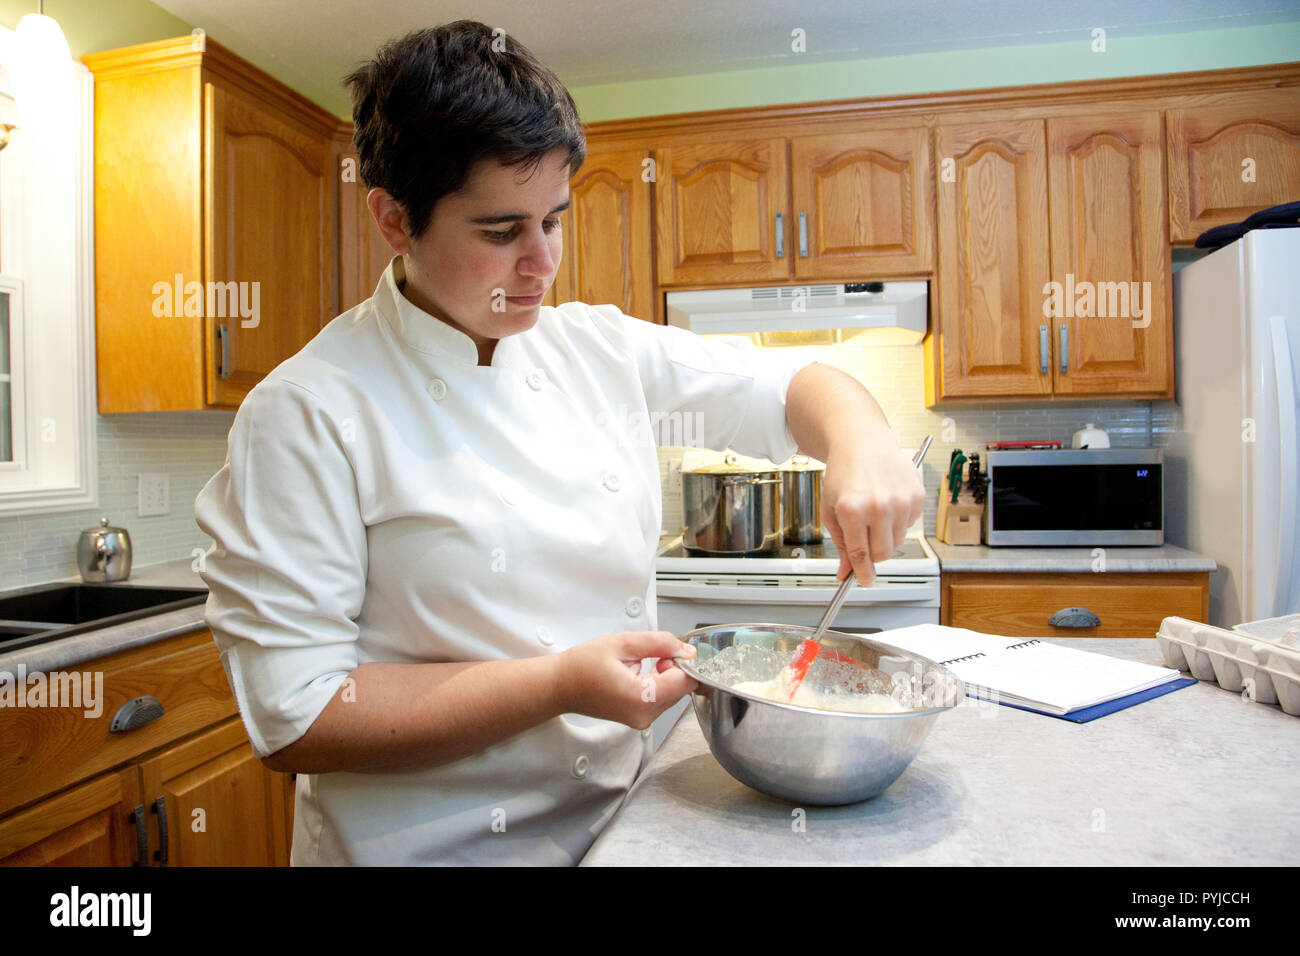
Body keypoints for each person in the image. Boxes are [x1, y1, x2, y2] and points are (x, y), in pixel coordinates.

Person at [193, 20, 925, 866]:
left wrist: (861, 439)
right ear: (395, 221)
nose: (543, 264)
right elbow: (300, 717)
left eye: (555, 219)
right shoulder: (308, 412)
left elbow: (792, 385)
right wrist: (558, 685)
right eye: (501, 232)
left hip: (625, 828)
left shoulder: (595, 346)